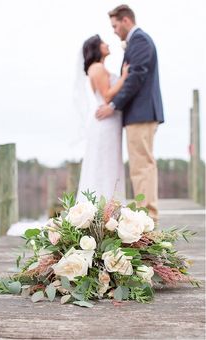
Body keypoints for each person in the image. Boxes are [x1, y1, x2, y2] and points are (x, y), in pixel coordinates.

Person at [96, 5, 164, 221]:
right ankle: (146, 215)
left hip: (141, 113)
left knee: (141, 167)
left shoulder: (140, 41)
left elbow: (136, 77)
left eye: (115, 25)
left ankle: (148, 218)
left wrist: (114, 105)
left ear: (126, 21)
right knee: (141, 166)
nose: (114, 31)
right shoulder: (136, 42)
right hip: (140, 114)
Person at [76, 34, 129, 203]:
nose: (107, 44)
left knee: (107, 164)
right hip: (106, 122)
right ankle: (103, 206)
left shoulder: (98, 67)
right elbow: (107, 96)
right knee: (106, 165)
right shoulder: (97, 67)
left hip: (109, 121)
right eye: (103, 43)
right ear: (96, 48)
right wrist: (124, 78)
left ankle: (108, 209)